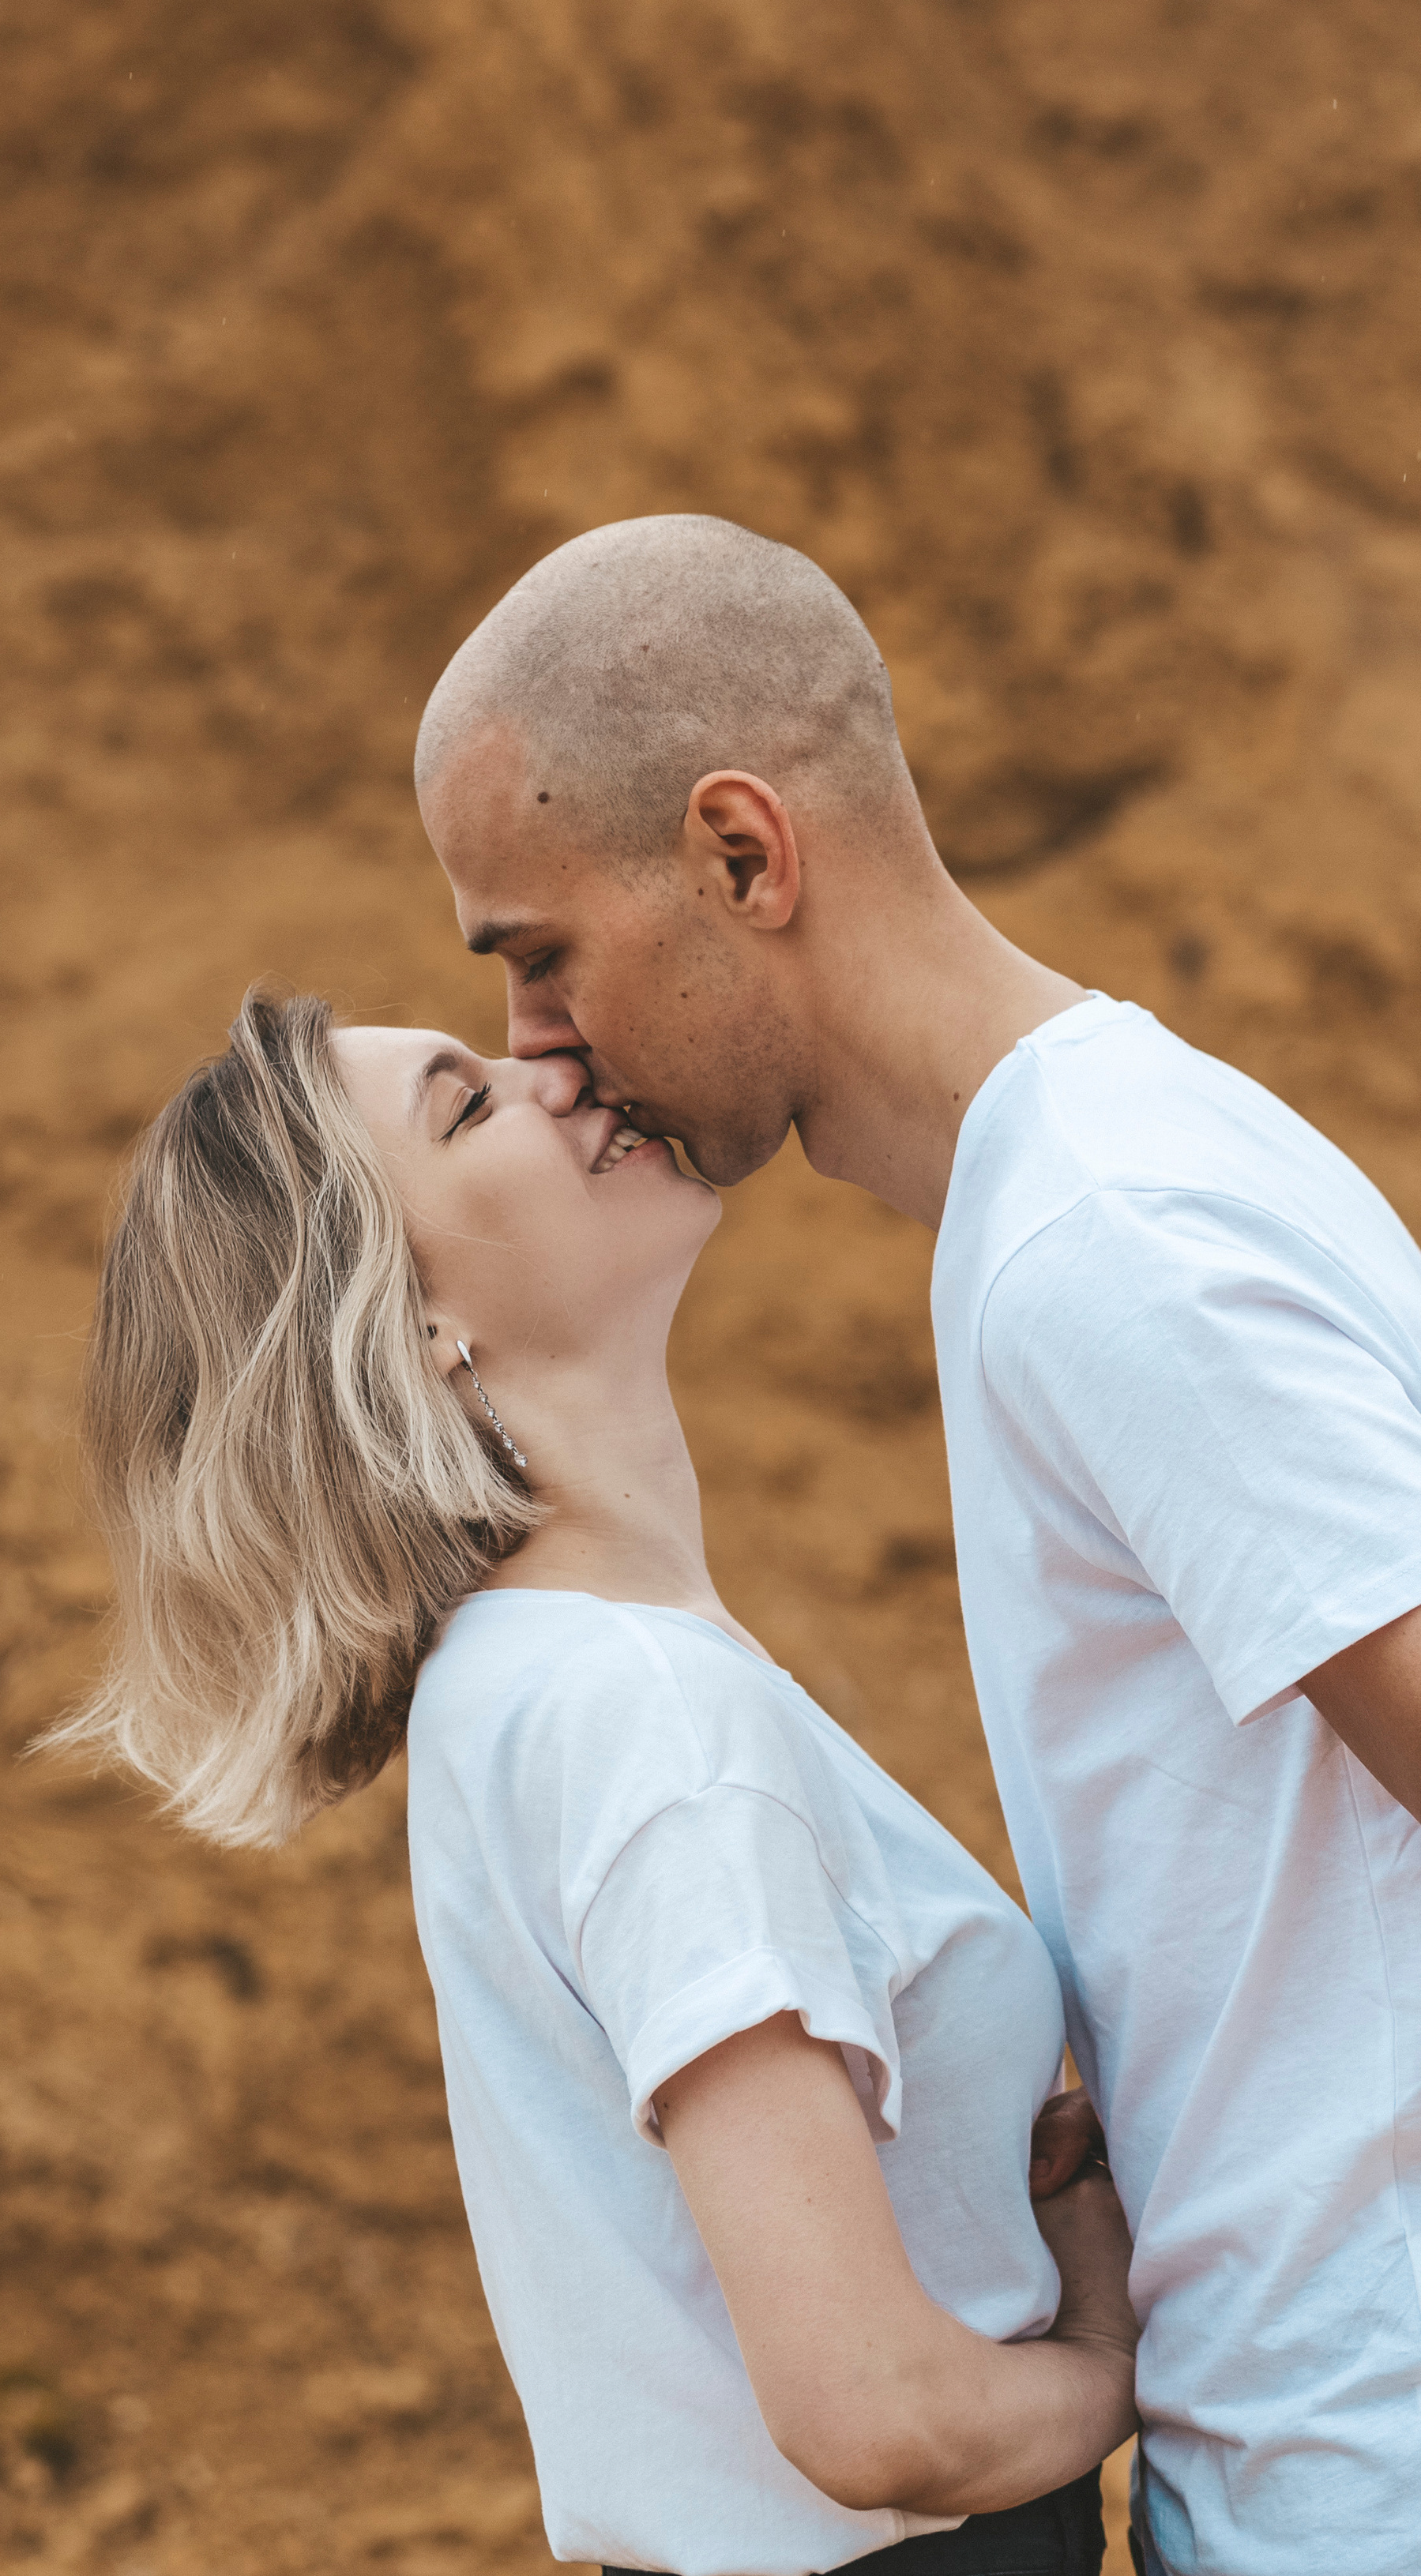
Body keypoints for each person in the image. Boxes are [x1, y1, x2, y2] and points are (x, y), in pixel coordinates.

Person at [412, 514, 1421, 2576]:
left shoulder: (1100, 1241)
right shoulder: (1097, 1183)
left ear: (741, 857)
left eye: (538, 950)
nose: (541, 1043)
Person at [59, 988, 1137, 2576]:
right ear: (415, 1329)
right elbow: (868, 2412)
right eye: (464, 1104)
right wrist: (1112, 2362)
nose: (552, 1064)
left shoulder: (521, 1687)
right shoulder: (639, 1707)